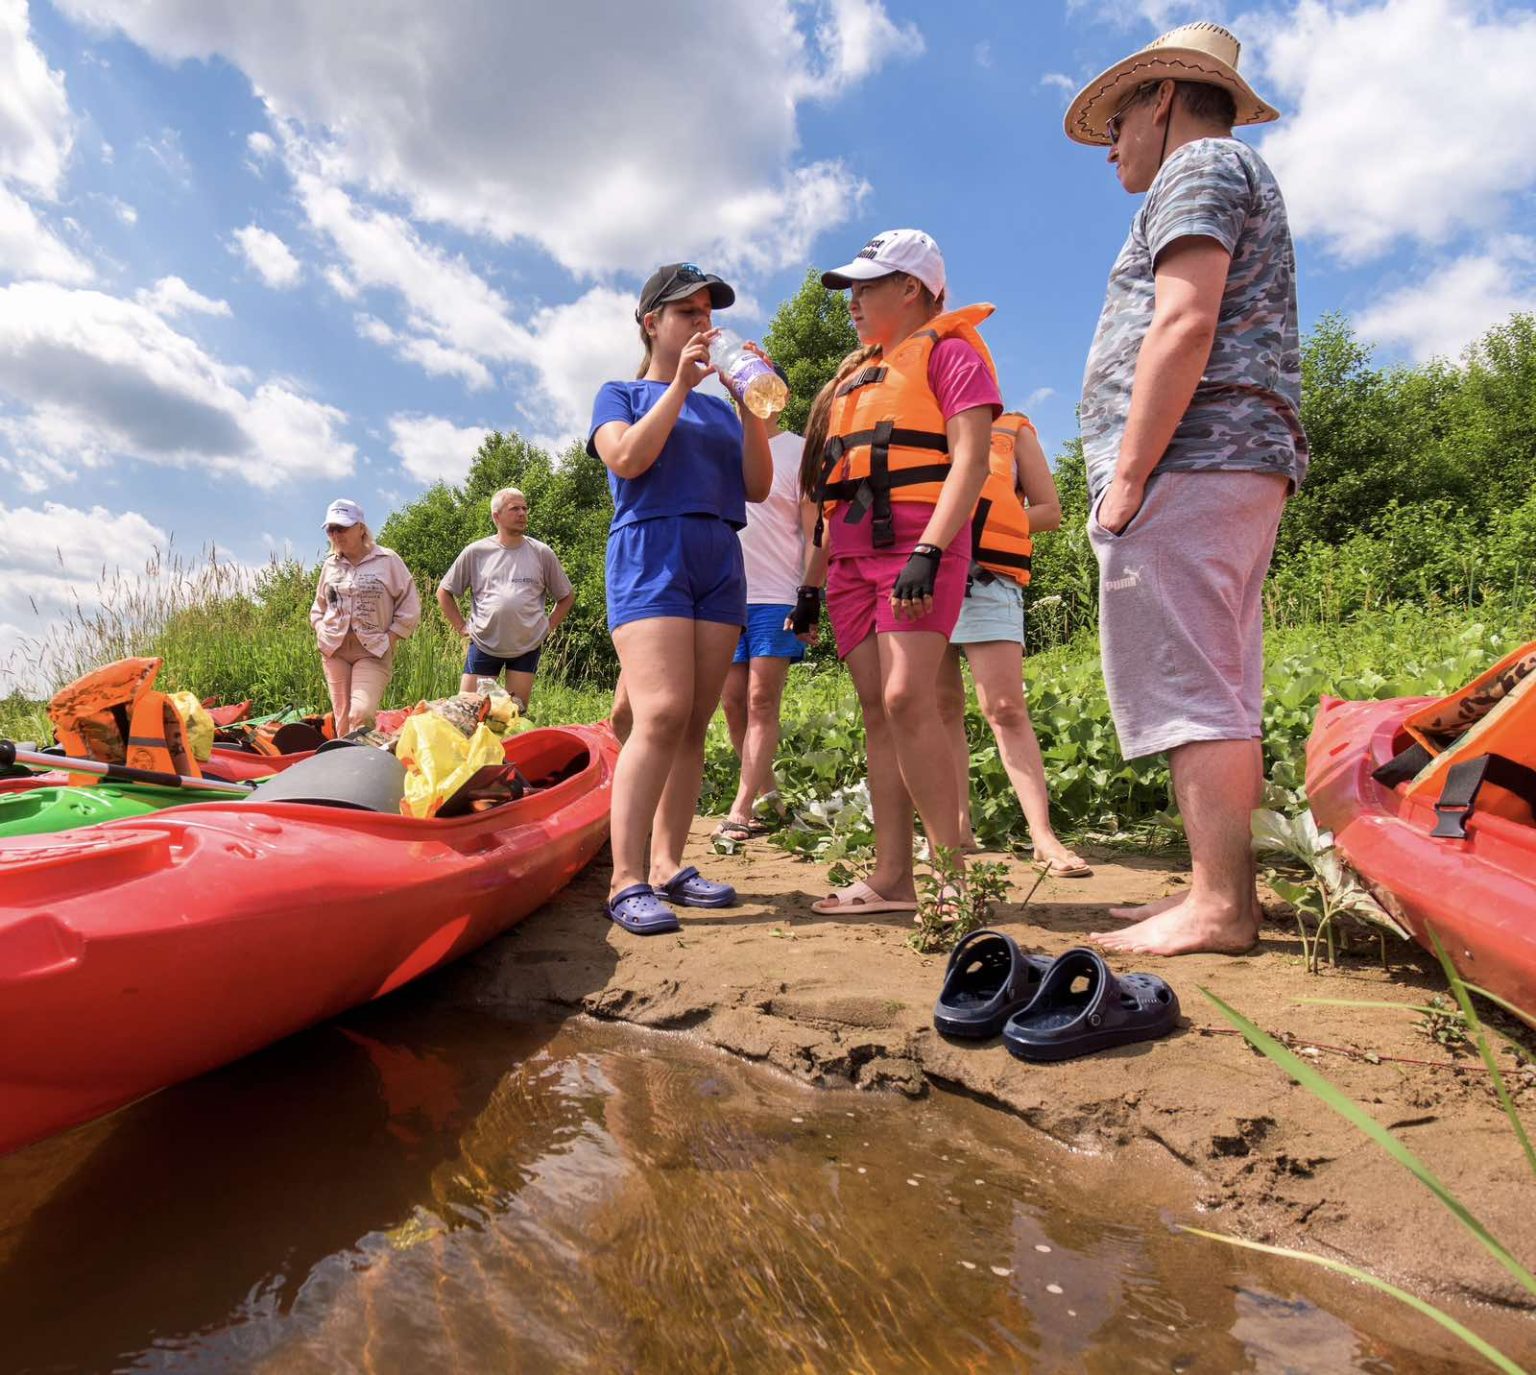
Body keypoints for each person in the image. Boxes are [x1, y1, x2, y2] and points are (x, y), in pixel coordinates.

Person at [1065, 22, 1307, 955]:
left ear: (1161, 100)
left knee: (1191, 680)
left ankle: (1219, 906)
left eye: (1119, 120)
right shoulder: (1223, 173)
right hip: (1231, 457)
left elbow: (1184, 319)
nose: (1113, 146)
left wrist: (1126, 477)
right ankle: (1219, 887)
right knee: (1219, 680)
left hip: (1189, 458)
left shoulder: (1197, 168)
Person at [795, 229, 999, 918]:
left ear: (910, 287)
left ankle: (951, 876)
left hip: (917, 546)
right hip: (850, 559)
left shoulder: (953, 352)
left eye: (866, 285)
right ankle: (891, 879)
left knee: (910, 698)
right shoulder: (853, 378)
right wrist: (808, 584)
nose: (851, 300)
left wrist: (932, 550)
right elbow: (828, 495)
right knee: (880, 714)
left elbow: (970, 461)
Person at [588, 262, 773, 934]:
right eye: (688, 313)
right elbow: (628, 459)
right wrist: (678, 388)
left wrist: (753, 406)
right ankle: (625, 878)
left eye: (708, 313)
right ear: (652, 323)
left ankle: (668, 864)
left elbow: (755, 485)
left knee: (694, 720)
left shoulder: (722, 411)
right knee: (660, 712)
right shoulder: (621, 393)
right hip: (650, 552)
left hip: (719, 554)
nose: (704, 324)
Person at [934, 410, 1091, 877]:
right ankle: (957, 827)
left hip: (988, 578)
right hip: (926, 578)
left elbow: (1050, 510)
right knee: (942, 707)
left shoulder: (1012, 431)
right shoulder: (918, 423)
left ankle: (1042, 836)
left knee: (1004, 707)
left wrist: (986, 521)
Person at [716, 369, 813, 841]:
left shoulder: (799, 450)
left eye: (764, 381)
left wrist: (812, 595)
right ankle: (769, 795)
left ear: (780, 393)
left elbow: (816, 531)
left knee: (760, 700)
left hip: (778, 594)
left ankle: (741, 808)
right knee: (732, 704)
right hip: (725, 593)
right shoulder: (722, 446)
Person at [436, 487, 575, 709]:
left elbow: (566, 596)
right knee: (467, 711)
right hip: (484, 643)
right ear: (496, 516)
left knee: (514, 713)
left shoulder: (541, 552)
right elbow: (444, 592)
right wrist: (461, 626)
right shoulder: (476, 552)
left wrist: (548, 627)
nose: (522, 513)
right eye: (515, 509)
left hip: (526, 646)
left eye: (525, 508)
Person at [309, 498, 421, 737]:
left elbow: (410, 605)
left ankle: (363, 764)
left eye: (342, 527)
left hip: (372, 650)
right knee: (342, 717)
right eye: (331, 529)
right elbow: (318, 606)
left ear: (361, 528)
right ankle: (345, 768)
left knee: (360, 712)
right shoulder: (330, 565)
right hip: (334, 649)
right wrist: (320, 629)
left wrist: (391, 637)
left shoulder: (388, 560)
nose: (336, 534)